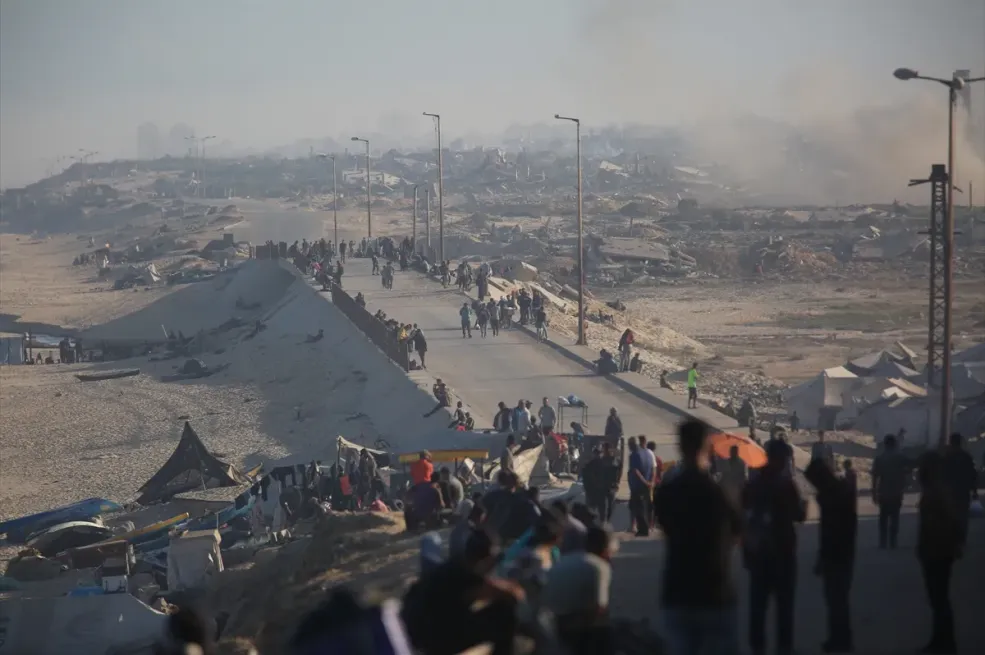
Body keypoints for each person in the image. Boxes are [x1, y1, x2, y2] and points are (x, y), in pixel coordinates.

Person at [655, 419, 742, 655]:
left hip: (678, 591)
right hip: (714, 593)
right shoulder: (719, 494)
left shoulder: (667, 492)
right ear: (708, 447)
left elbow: (665, 524)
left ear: (680, 447)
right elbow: (738, 531)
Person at [401, 528, 522, 655]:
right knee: (504, 612)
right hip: (435, 641)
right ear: (487, 557)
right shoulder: (465, 573)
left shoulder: (454, 566)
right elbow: (509, 595)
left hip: (416, 637)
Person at [742, 439, 806, 655]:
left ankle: (757, 647)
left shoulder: (754, 483)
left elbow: (743, 515)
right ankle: (784, 647)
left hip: (759, 553)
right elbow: (799, 515)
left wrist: (747, 551)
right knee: (784, 606)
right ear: (782, 459)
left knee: (758, 606)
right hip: (783, 552)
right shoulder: (787, 485)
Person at [805, 455, 857, 653]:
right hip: (842, 554)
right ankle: (839, 638)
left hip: (838, 555)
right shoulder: (840, 490)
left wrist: (824, 557)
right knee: (837, 600)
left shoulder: (833, 496)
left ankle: (841, 640)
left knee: (836, 600)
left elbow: (832, 532)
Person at [543, 526, 616, 655]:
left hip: (550, 623)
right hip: (574, 629)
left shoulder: (565, 559)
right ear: (606, 548)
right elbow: (599, 608)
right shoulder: (599, 566)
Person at [916, 451, 962, 654]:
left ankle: (946, 643)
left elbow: (950, 521)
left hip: (938, 552)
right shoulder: (937, 489)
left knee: (939, 599)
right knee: (937, 599)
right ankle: (939, 640)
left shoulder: (937, 491)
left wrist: (952, 545)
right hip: (935, 550)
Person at [871, 434, 907, 549]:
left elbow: (875, 477)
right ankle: (893, 541)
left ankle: (883, 542)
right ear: (894, 444)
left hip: (884, 493)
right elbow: (910, 466)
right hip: (896, 492)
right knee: (895, 518)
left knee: (883, 518)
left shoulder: (880, 458)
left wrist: (874, 493)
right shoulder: (900, 457)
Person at [942, 432, 978, 549]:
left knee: (949, 515)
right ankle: (961, 539)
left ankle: (951, 538)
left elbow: (942, 475)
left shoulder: (947, 457)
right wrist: (975, 491)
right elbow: (972, 475)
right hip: (963, 491)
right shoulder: (966, 456)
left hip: (949, 491)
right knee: (962, 516)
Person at [626, 437, 653, 537]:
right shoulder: (647, 453)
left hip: (638, 485)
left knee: (636, 507)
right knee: (644, 507)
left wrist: (644, 482)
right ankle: (646, 528)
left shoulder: (634, 455)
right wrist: (650, 482)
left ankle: (643, 529)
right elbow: (652, 468)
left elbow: (635, 471)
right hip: (647, 484)